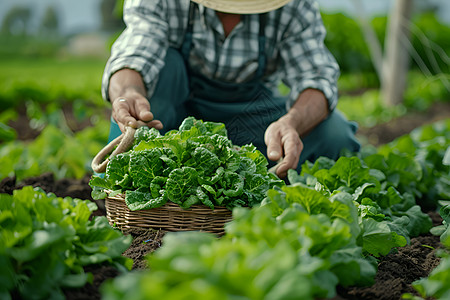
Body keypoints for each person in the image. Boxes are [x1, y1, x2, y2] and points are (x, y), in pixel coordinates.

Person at [101, 0, 360, 179]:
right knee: (164, 66)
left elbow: (315, 77)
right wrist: (130, 93)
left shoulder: (293, 6)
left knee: (335, 135)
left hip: (252, 118)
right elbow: (135, 52)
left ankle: (265, 177)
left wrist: (291, 123)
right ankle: (135, 171)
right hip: (176, 119)